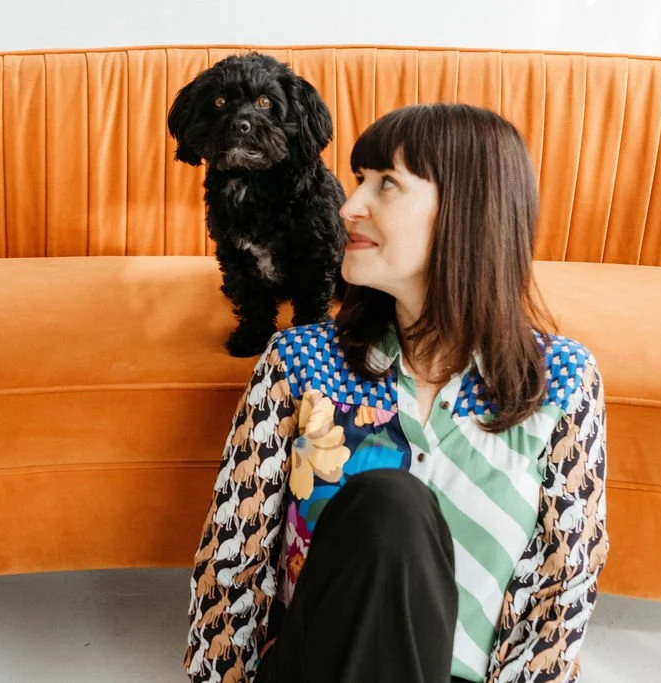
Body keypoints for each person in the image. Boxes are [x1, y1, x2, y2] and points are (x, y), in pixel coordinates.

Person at [184, 103, 609, 683]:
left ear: (468, 211)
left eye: (386, 185)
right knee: (390, 507)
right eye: (359, 181)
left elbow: (559, 599)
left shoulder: (560, 381)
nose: (349, 206)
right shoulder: (300, 362)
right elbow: (231, 569)